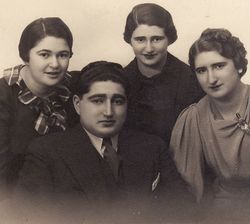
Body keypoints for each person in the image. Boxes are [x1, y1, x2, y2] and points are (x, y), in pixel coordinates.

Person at [14, 61, 190, 222]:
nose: (108, 111)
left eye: (118, 101)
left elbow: (183, 210)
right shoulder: (46, 153)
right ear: (77, 104)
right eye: (97, 100)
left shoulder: (152, 147)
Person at [169, 28, 250, 217]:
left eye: (219, 66)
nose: (211, 79)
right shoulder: (193, 119)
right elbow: (188, 192)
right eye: (201, 70)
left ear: (238, 66)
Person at [0, 17, 74, 199]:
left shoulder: (72, 90)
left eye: (63, 55)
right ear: (26, 56)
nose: (55, 64)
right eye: (44, 54)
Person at [123, 3, 204, 145]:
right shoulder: (121, 81)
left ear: (169, 39)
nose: (149, 48)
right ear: (130, 40)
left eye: (157, 39)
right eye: (140, 39)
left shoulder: (192, 80)